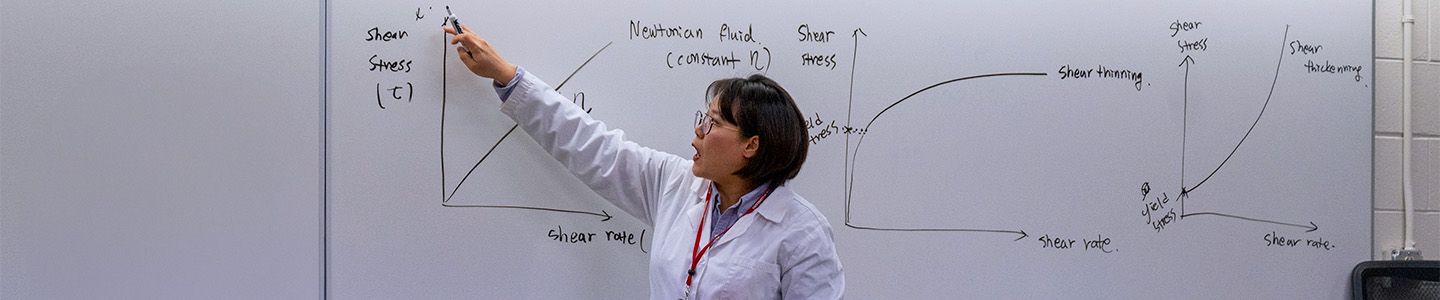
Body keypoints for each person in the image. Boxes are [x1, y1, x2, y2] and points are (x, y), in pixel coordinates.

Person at [444, 25, 844, 299]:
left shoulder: (801, 232)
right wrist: (507, 77)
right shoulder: (676, 184)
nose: (697, 132)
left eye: (713, 123)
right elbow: (590, 145)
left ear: (751, 145)